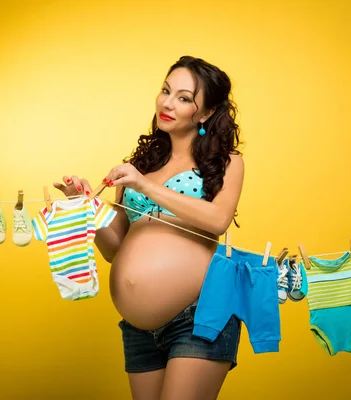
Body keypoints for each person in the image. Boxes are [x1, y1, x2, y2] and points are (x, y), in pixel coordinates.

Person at [53, 55, 244, 400]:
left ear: (205, 113)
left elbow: (217, 219)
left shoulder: (227, 163)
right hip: (139, 329)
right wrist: (85, 207)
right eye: (166, 90)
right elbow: (116, 249)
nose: (167, 103)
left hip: (199, 315)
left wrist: (145, 186)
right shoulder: (140, 166)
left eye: (184, 98)